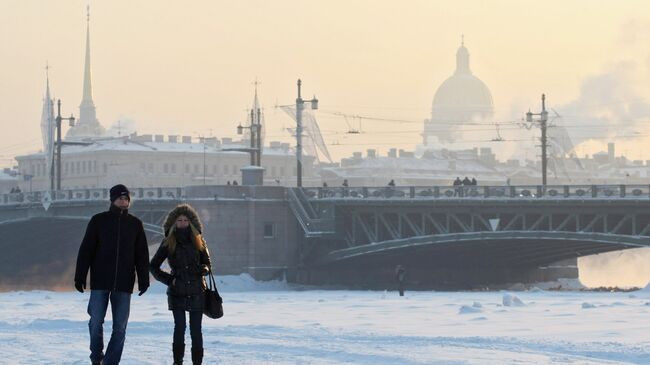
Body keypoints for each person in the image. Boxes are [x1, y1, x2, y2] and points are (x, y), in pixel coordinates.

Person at [74, 184, 150, 365]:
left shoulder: (135, 224)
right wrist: (80, 276)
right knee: (95, 322)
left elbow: (141, 255)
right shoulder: (98, 221)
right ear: (112, 200)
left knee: (120, 328)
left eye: (126, 199)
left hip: (124, 283)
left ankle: (110, 362)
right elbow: (86, 250)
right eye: (120, 198)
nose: (123, 202)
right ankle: (96, 358)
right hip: (100, 281)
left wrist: (144, 279)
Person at [150, 204, 211, 365]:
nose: (183, 223)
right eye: (180, 220)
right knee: (180, 328)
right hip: (177, 291)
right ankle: (178, 362)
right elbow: (153, 266)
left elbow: (207, 263)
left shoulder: (198, 240)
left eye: (185, 220)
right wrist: (170, 280)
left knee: (196, 331)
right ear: (174, 222)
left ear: (191, 222)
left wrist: (204, 269)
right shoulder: (168, 242)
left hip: (197, 290)